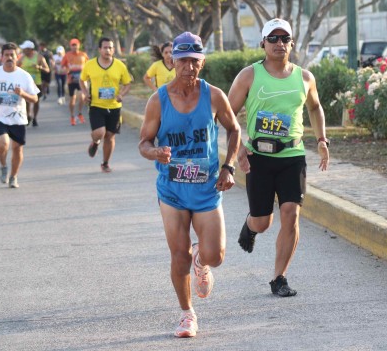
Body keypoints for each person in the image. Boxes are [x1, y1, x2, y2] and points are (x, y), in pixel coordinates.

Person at [138, 32, 241, 338]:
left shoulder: (214, 96)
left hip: (207, 189)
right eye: (182, 60)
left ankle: (201, 260)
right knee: (178, 253)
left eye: (194, 61)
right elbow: (144, 142)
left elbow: (234, 131)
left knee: (215, 256)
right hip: (172, 191)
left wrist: (228, 167)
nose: (188, 67)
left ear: (202, 62)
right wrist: (155, 152)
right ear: (172, 61)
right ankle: (187, 314)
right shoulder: (158, 100)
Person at [227, 18, 330, 298]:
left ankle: (279, 278)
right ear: (262, 43)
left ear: (292, 43)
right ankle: (250, 227)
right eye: (273, 39)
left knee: (291, 214)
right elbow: (226, 116)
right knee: (263, 221)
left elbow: (316, 107)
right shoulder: (249, 75)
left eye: (285, 38)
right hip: (258, 157)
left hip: (292, 155)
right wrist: (239, 150)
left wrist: (321, 139)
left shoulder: (305, 78)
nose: (279, 43)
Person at [0, 42, 40, 188]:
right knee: (3, 143)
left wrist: (22, 94)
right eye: (6, 55)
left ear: (17, 57)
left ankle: (13, 177)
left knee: (17, 148)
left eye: (12, 55)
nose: (9, 58)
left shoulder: (24, 76)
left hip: (18, 117)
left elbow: (34, 98)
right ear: (1, 57)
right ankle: (3, 165)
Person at [80, 37, 132, 173]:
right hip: (96, 105)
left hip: (114, 106)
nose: (108, 50)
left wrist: (121, 95)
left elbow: (127, 84)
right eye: (105, 48)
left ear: (113, 50)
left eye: (110, 48)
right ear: (99, 49)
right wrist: (85, 93)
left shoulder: (120, 65)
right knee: (100, 132)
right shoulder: (90, 64)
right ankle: (95, 142)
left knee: (110, 136)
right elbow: (82, 80)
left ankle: (105, 163)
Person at [17, 40, 49, 127]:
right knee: (26, 101)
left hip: (37, 83)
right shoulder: (22, 58)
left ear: (30, 49)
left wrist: (39, 67)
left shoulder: (39, 57)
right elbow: (15, 68)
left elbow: (47, 69)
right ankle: (28, 116)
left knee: (36, 101)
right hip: (25, 83)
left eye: (25, 49)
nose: (23, 51)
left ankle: (35, 117)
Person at [61, 38, 89, 126]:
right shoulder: (67, 55)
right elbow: (63, 66)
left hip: (81, 79)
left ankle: (80, 113)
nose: (74, 47)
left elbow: (88, 66)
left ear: (79, 45)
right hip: (71, 79)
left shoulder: (83, 55)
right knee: (72, 99)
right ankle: (72, 116)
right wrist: (67, 71)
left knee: (82, 97)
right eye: (72, 45)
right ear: (70, 46)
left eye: (75, 45)